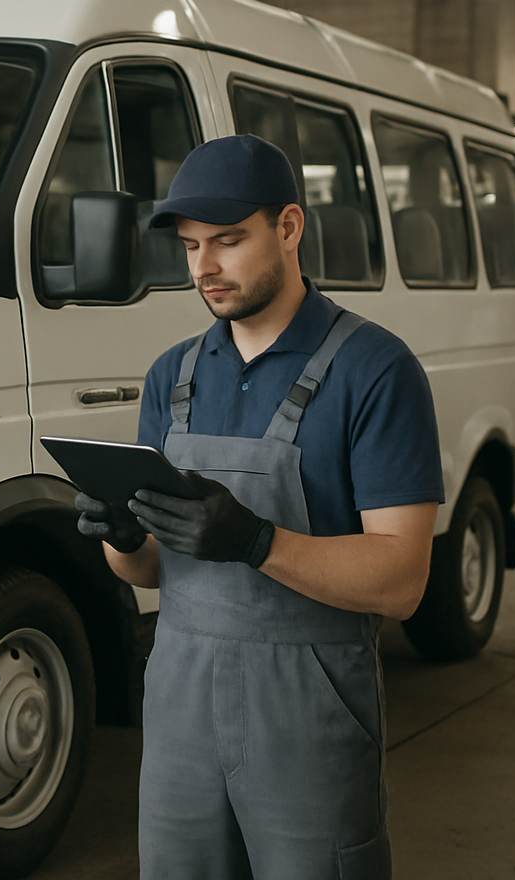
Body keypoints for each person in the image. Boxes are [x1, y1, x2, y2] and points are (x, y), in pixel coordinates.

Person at [73, 134, 444, 880]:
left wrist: (256, 542)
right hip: (179, 700)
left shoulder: (375, 371)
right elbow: (148, 572)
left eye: (228, 241)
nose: (205, 268)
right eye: (189, 247)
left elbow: (403, 581)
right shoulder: (171, 376)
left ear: (289, 228)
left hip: (307, 708)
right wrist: (119, 534)